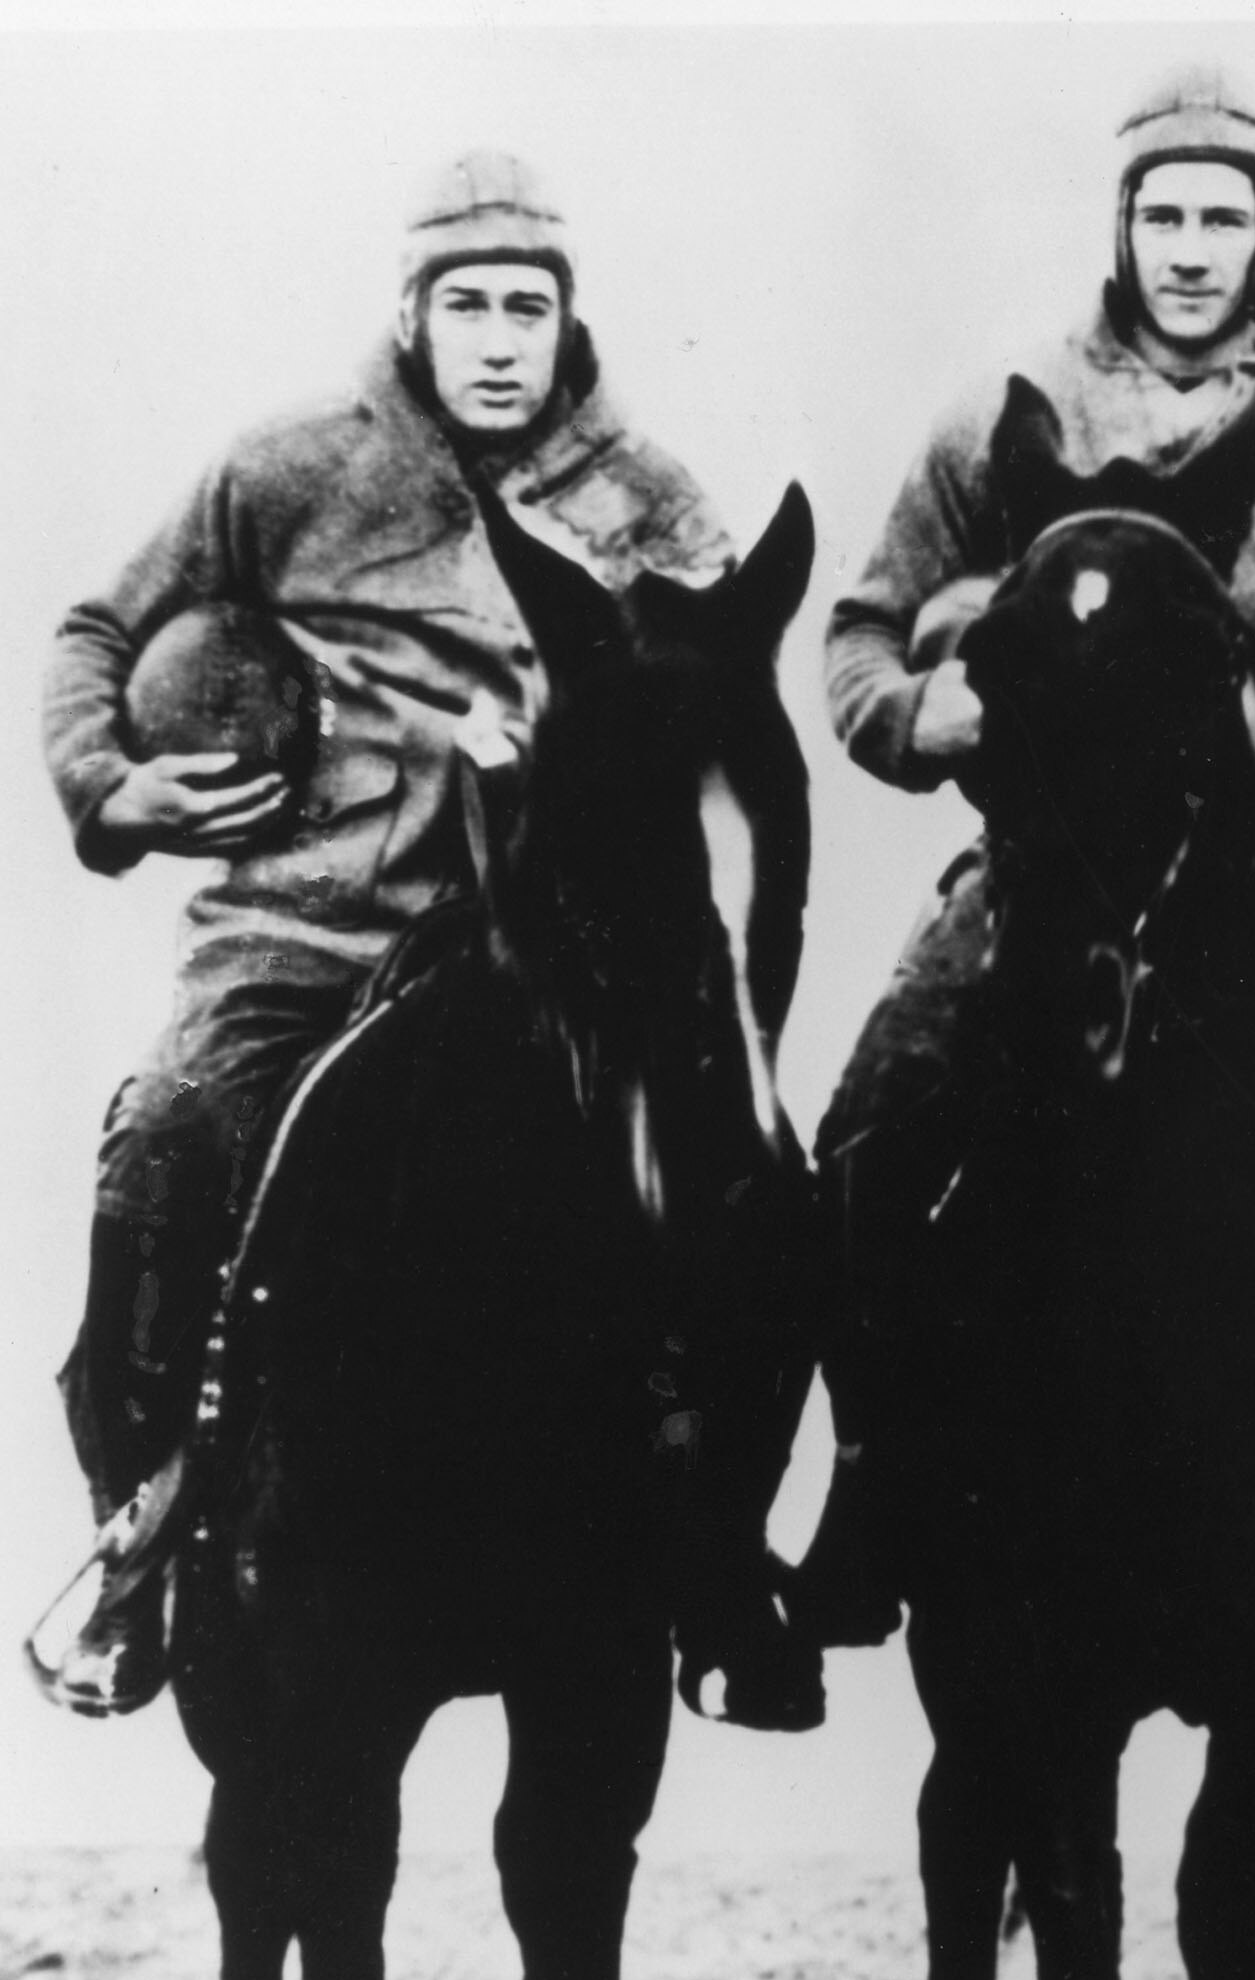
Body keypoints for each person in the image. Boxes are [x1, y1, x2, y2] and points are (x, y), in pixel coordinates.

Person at [36, 150, 811, 1723]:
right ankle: (145, 1539)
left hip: (546, 958)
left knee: (764, 1199)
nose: (502, 339)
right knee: (170, 1139)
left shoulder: (652, 501)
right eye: (469, 304)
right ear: (413, 313)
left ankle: (720, 1560)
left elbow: (720, 712)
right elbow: (97, 631)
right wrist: (113, 783)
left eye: (530, 305)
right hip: (304, 930)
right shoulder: (286, 470)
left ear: (567, 320)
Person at [798, 62, 1255, 1640]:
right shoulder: (1006, 414)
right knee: (872, 1125)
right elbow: (863, 630)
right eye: (1162, 215)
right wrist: (918, 713)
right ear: (1121, 226)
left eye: (1221, 218)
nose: (1189, 250)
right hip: (1043, 870)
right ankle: (866, 1480)